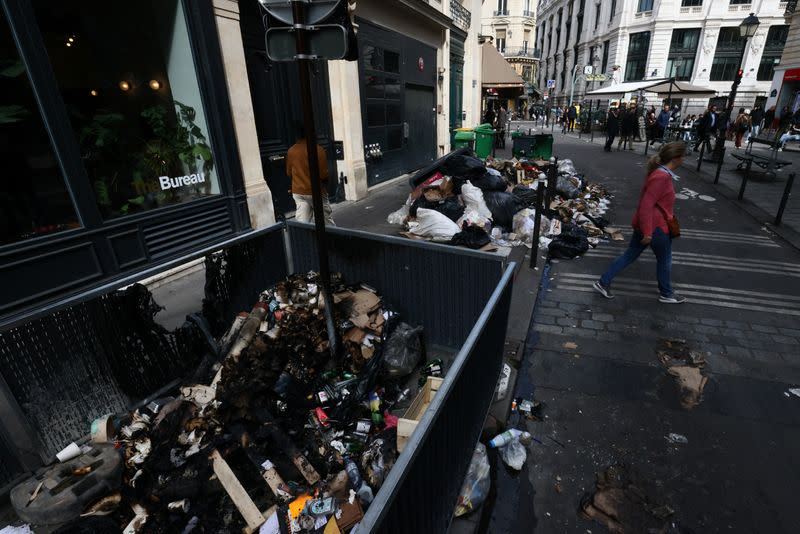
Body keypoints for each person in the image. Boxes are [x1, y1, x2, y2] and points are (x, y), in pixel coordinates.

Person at [593, 142, 687, 304]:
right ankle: (666, 293)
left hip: (649, 225)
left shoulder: (661, 173)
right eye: (683, 156)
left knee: (630, 254)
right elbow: (646, 204)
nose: (684, 160)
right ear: (676, 158)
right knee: (664, 260)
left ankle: (603, 282)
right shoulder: (662, 176)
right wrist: (648, 232)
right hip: (656, 227)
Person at [287, 122, 334, 225]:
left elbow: (289, 173)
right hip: (316, 192)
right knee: (327, 222)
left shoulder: (291, 151)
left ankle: (304, 240)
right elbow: (323, 176)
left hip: (299, 192)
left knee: (303, 223)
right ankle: (331, 240)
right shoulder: (318, 150)